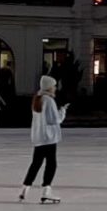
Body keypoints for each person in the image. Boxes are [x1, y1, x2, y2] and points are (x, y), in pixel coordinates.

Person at [18, 75, 67, 203]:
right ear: (49, 87)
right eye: (54, 86)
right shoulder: (49, 100)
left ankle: (25, 188)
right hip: (48, 137)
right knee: (51, 163)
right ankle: (47, 190)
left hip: (39, 137)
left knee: (36, 163)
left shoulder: (37, 99)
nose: (55, 88)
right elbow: (54, 120)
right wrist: (62, 111)